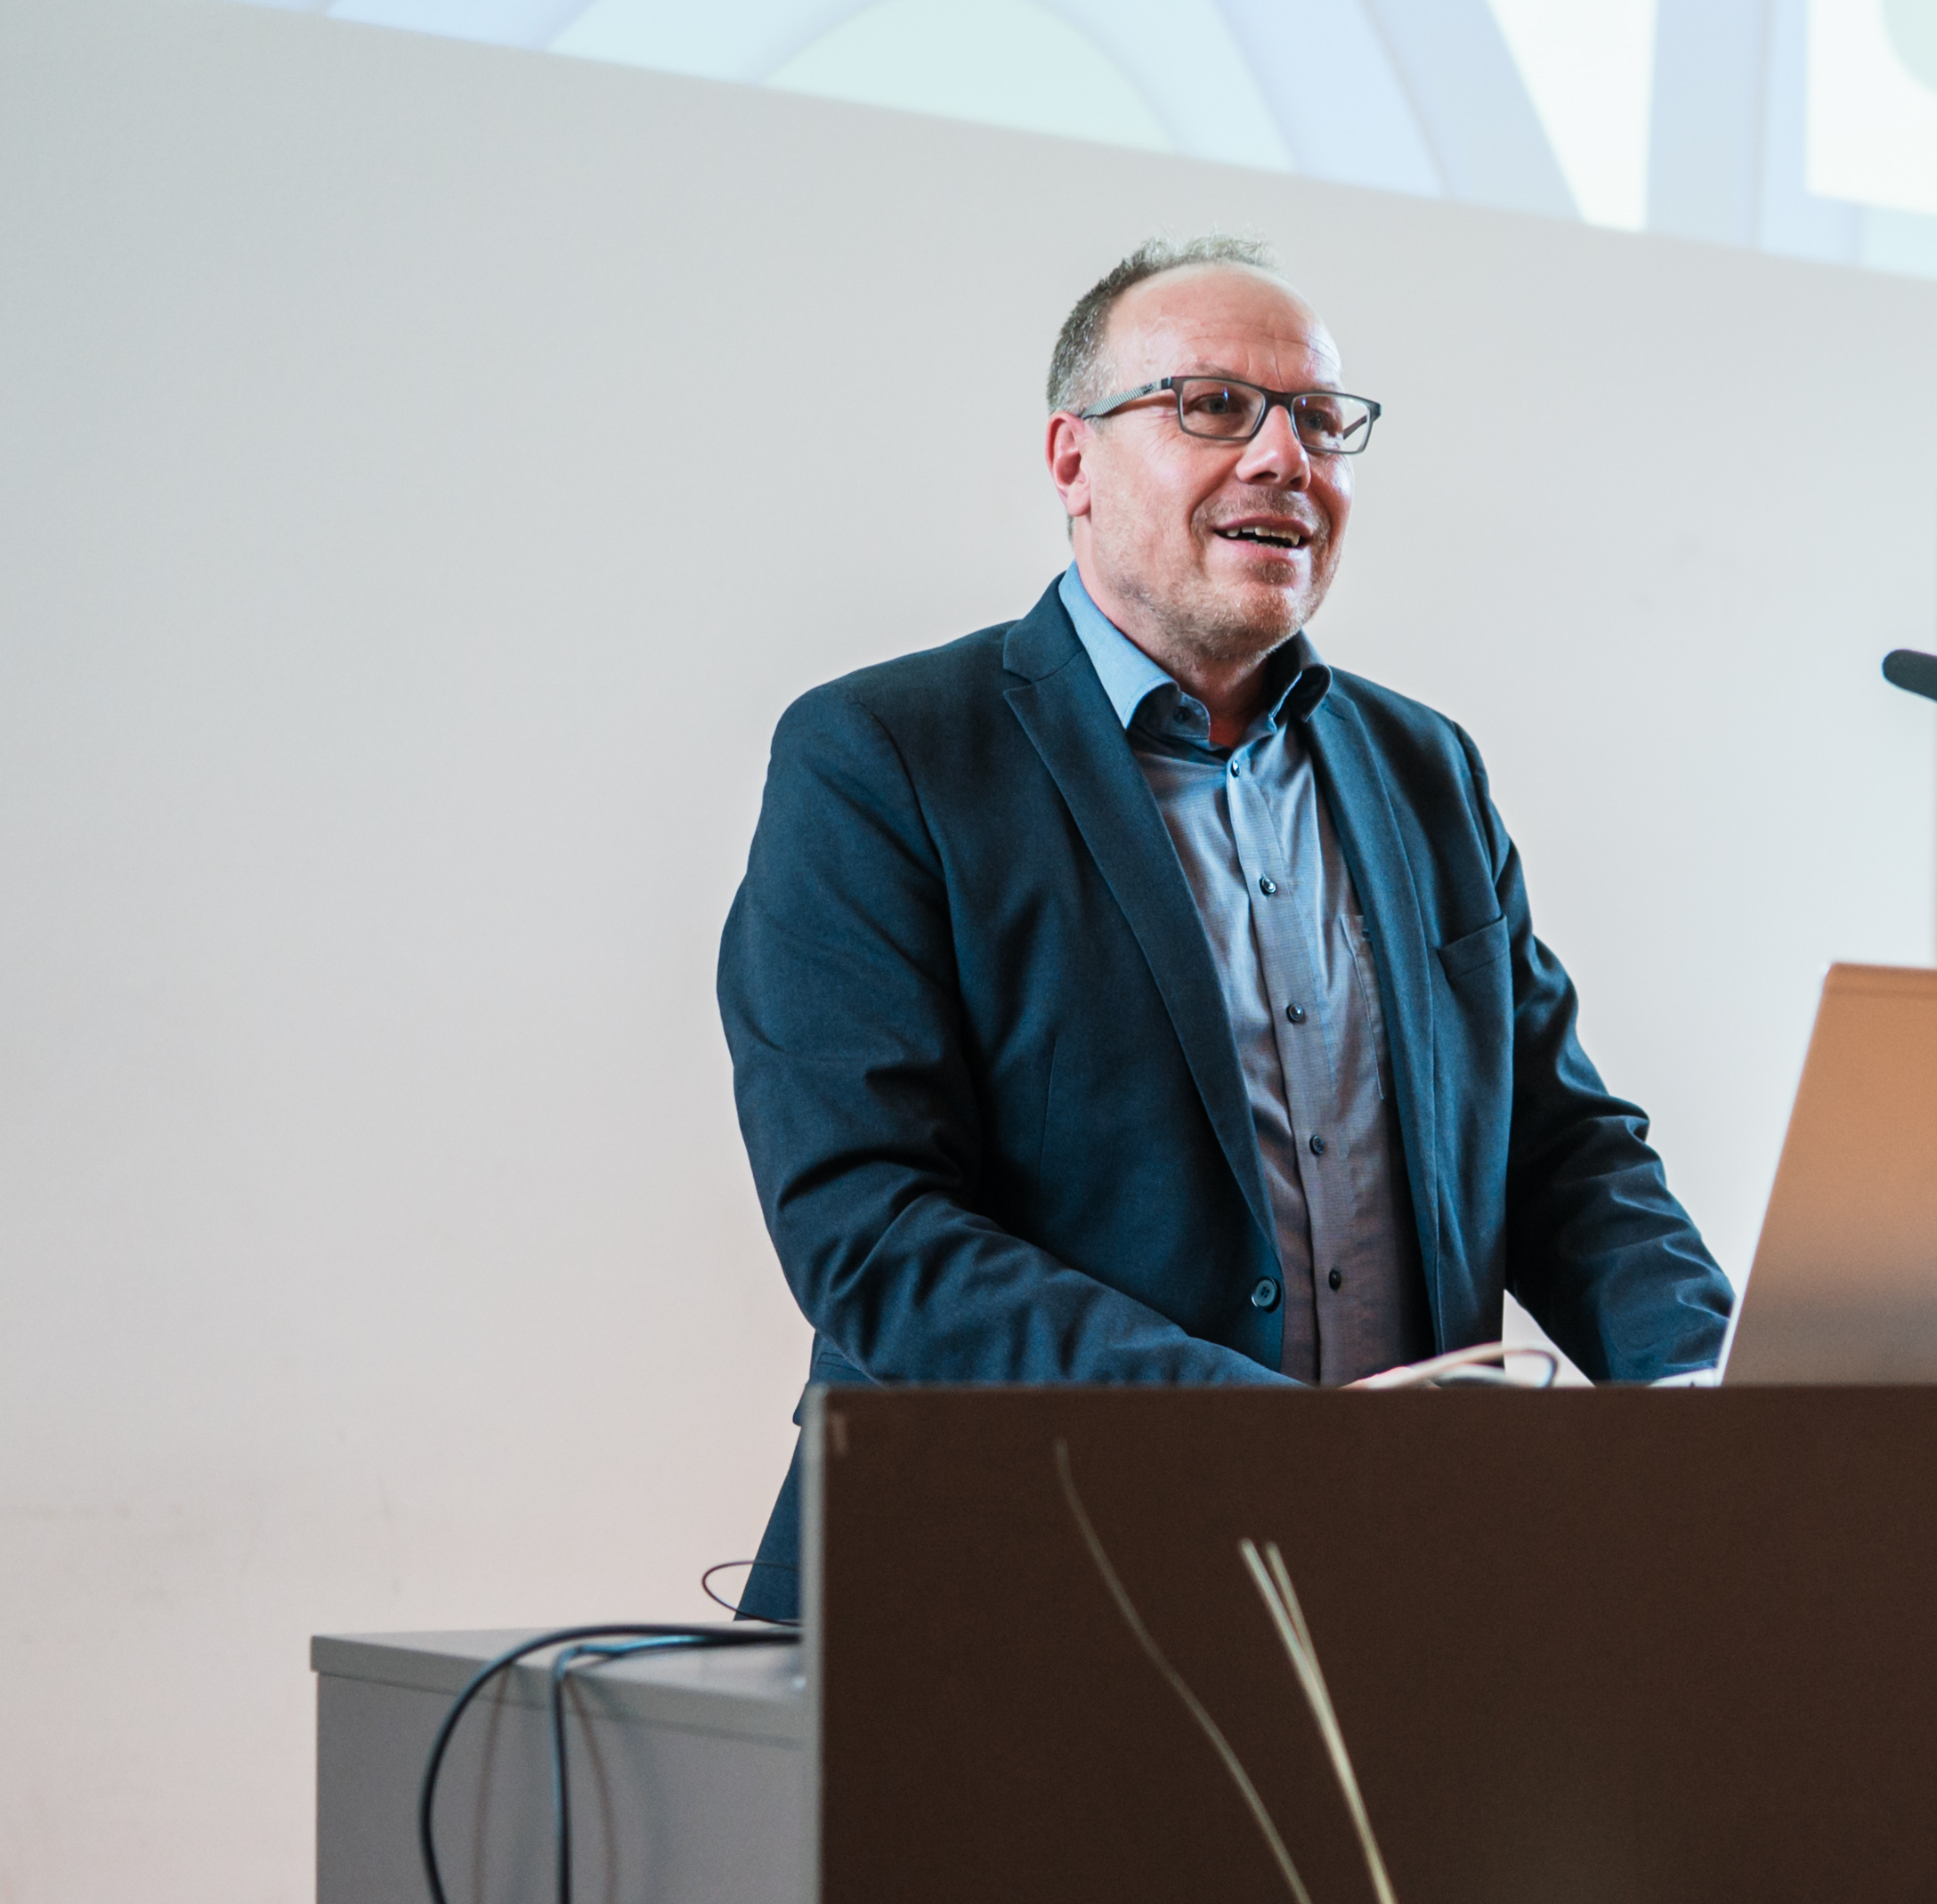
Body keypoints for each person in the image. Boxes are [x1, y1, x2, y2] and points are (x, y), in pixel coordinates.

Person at [713, 237, 1729, 1619]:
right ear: (1072, 461)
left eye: (1319, 419)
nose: (1280, 458)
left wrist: (1711, 1384)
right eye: (1209, 407)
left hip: (1387, 1588)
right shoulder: (885, 756)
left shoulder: (1426, 769)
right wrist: (1263, 1436)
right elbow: (871, 1229)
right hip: (996, 1595)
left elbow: (1552, 1147)